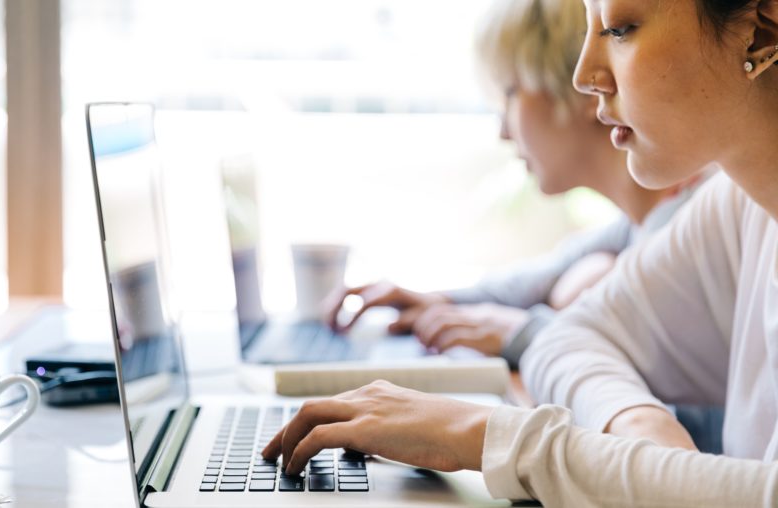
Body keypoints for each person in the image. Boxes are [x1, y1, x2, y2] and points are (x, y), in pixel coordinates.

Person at [262, 0, 778, 505]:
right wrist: (641, 433)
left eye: (619, 28)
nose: (583, 74)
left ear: (761, 30)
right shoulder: (741, 206)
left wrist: (485, 437)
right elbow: (569, 337)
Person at [323, 0, 702, 370]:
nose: (504, 131)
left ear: (587, 89)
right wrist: (438, 301)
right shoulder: (642, 221)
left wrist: (515, 332)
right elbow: (537, 281)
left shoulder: (692, 229)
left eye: (510, 93)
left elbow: (636, 353)